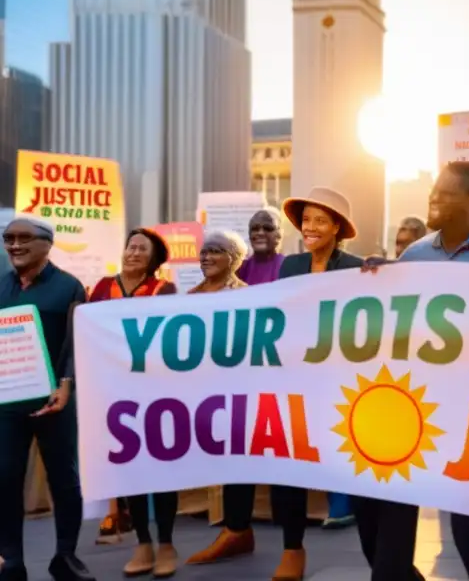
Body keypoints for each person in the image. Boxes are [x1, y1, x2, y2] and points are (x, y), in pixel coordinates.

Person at [364, 161, 469, 581]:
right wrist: (375, 280)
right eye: (433, 191)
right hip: (414, 401)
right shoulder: (415, 254)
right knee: (388, 518)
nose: (433, 198)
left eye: (445, 193)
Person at [187, 209, 287, 568]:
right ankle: (235, 529)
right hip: (204, 395)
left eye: (216, 252)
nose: (207, 258)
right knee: (225, 459)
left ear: (233, 259)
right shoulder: (188, 298)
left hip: (245, 391)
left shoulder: (249, 297)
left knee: (241, 460)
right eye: (204, 252)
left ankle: (238, 530)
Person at [275, 187, 363, 581]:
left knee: (355, 467)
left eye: (320, 221)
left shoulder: (357, 266)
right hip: (296, 380)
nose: (310, 228)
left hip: (343, 384)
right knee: (288, 467)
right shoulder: (289, 265)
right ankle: (292, 550)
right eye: (306, 220)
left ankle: (382, 556)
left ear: (338, 229)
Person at [0, 216, 93, 581]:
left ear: (47, 243)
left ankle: (65, 557)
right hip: (7, 404)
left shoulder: (69, 287)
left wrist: (66, 383)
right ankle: (11, 559)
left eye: (24, 238)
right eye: (8, 238)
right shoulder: (1, 287)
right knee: (5, 477)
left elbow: (76, 341)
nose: (14, 245)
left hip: (56, 400)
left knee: (65, 480)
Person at [88, 228, 179, 577]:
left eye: (143, 248)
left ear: (154, 259)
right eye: (131, 246)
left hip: (155, 391)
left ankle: (167, 543)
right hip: (114, 392)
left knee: (162, 469)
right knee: (131, 470)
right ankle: (143, 543)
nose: (134, 252)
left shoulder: (164, 290)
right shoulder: (100, 289)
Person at [237, 207, 286, 284]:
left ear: (279, 235)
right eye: (255, 229)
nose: (260, 233)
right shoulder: (240, 269)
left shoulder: (288, 267)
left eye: (268, 228)